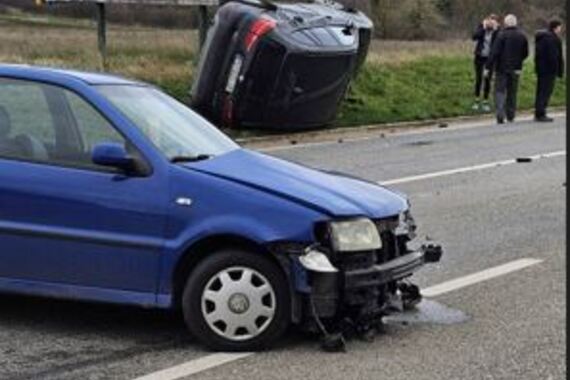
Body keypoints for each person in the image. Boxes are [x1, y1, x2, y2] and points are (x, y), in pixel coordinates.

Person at [485, 14, 529, 124]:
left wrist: (488, 67)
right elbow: (525, 53)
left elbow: (494, 52)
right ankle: (511, 115)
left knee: (500, 91)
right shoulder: (522, 36)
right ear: (516, 23)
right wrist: (518, 61)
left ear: (505, 23)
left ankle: (500, 114)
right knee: (512, 92)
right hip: (516, 68)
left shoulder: (501, 35)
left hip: (502, 68)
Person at [534, 19, 564, 122]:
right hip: (549, 70)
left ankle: (538, 111)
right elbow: (554, 56)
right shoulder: (552, 39)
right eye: (560, 27)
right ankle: (541, 113)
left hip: (541, 69)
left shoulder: (541, 38)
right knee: (546, 92)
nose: (561, 29)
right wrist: (558, 69)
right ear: (556, 27)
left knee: (540, 91)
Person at [472, 14, 500, 112]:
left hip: (490, 59)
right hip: (479, 57)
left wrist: (496, 30)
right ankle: (476, 100)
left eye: (493, 21)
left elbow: (499, 41)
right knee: (479, 78)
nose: (490, 23)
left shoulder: (497, 32)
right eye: (489, 21)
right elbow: (474, 37)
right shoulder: (481, 28)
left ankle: (485, 101)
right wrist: (483, 28)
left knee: (487, 79)